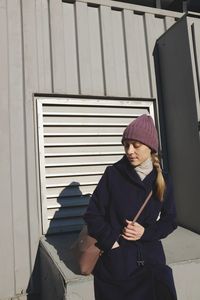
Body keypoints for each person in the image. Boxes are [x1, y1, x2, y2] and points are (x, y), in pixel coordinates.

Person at [84, 114, 177, 300]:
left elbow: (170, 219)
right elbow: (92, 215)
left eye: (136, 145)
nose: (129, 151)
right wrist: (112, 242)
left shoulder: (163, 179)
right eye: (126, 145)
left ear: (150, 147)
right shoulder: (113, 175)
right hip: (117, 268)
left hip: (152, 266)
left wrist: (146, 233)